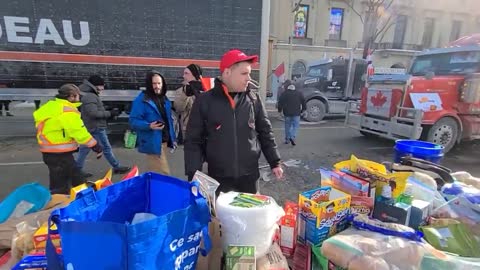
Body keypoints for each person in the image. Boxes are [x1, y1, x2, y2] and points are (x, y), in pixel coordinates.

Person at [184, 49, 283, 194]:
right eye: (244, 73)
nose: (248, 78)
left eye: (249, 73)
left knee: (250, 214)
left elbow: (265, 132)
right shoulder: (205, 101)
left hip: (250, 178)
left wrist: (275, 162)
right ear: (227, 73)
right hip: (219, 178)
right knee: (222, 216)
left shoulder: (253, 99)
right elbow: (193, 140)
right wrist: (193, 173)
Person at [33, 84, 103, 194]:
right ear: (71, 96)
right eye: (78, 95)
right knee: (64, 184)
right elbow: (78, 131)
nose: (80, 98)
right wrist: (95, 146)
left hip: (49, 152)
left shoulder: (51, 106)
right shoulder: (67, 111)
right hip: (60, 153)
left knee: (67, 178)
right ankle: (71, 201)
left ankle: (81, 196)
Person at [75, 75, 130, 177]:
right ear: (96, 85)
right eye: (102, 86)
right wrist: (110, 113)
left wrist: (107, 109)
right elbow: (93, 113)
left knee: (84, 148)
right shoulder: (90, 96)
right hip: (96, 126)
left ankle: (77, 170)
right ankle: (116, 166)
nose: (103, 88)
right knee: (106, 148)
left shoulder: (88, 94)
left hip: (91, 125)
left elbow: (94, 109)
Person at [129, 70, 176, 175]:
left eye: (159, 83)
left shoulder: (164, 98)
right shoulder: (141, 100)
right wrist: (149, 126)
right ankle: (161, 190)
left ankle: (152, 188)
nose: (157, 86)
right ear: (149, 85)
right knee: (163, 173)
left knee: (156, 172)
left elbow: (168, 119)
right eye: (154, 83)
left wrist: (172, 138)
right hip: (152, 141)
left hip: (164, 140)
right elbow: (133, 121)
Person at [174, 64, 206, 142]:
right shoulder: (181, 90)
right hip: (189, 130)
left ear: (195, 75)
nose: (183, 76)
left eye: (186, 73)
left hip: (206, 130)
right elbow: (178, 108)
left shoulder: (207, 88)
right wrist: (185, 94)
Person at [277, 80, 306, 146]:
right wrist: (304, 110)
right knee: (295, 126)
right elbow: (303, 101)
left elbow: (280, 103)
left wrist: (279, 111)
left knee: (287, 126)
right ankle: (292, 137)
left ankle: (287, 139)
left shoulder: (284, 93)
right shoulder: (299, 93)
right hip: (296, 113)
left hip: (287, 113)